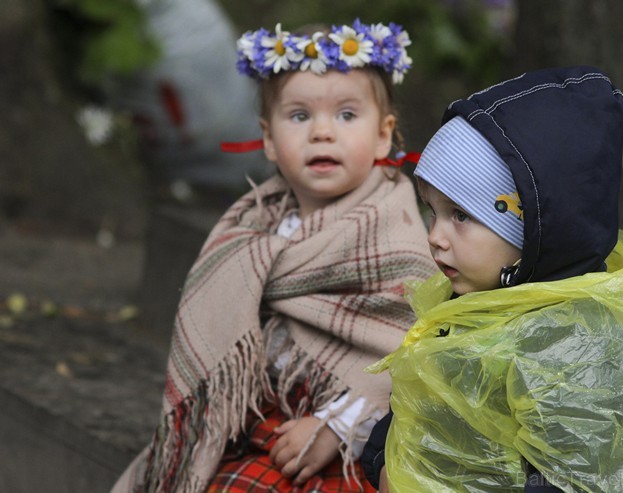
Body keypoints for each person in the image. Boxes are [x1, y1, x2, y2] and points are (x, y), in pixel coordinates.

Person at [361, 66, 623, 492]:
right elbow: (420, 410)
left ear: (535, 229)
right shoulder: (478, 301)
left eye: (462, 216)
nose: (435, 236)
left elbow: (571, 473)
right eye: (433, 211)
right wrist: (381, 460)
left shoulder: (573, 349)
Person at [111, 19, 437, 493]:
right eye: (300, 116)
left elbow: (408, 353)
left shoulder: (395, 232)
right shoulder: (254, 225)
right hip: (254, 422)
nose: (322, 133)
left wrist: (335, 426)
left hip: (342, 444)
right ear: (267, 139)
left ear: (385, 135)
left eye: (347, 115)